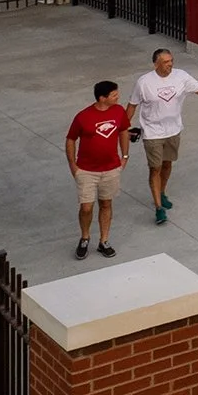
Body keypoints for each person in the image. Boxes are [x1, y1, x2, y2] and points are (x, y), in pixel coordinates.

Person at [129, 47, 198, 228]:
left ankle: (162, 192)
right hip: (152, 133)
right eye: (166, 62)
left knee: (167, 164)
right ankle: (159, 207)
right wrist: (123, 127)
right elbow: (132, 105)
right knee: (155, 168)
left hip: (173, 131)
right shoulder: (144, 82)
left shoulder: (181, 76)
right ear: (156, 64)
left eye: (171, 61)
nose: (170, 65)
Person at [65, 80, 129, 260]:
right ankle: (85, 238)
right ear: (102, 98)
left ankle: (104, 240)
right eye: (114, 95)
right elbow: (71, 139)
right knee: (86, 207)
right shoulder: (83, 117)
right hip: (86, 170)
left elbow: (124, 131)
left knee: (106, 204)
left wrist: (124, 157)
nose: (118, 97)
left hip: (111, 169)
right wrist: (73, 166)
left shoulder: (119, 112)